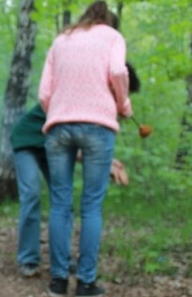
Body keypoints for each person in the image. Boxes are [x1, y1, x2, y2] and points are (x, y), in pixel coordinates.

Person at [38, 0, 133, 297]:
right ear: (109, 20)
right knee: (91, 206)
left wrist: (57, 113)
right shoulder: (112, 36)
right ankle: (86, 284)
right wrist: (124, 105)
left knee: (60, 204)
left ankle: (57, 281)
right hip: (98, 126)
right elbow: (118, 71)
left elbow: (43, 93)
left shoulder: (61, 39)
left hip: (58, 126)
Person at [11, 62, 139, 278]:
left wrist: (108, 162)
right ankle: (28, 259)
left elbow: (74, 146)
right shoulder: (78, 95)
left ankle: (62, 258)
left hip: (49, 146)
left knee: (63, 200)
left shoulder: (96, 103)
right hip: (27, 141)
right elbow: (68, 139)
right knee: (31, 195)